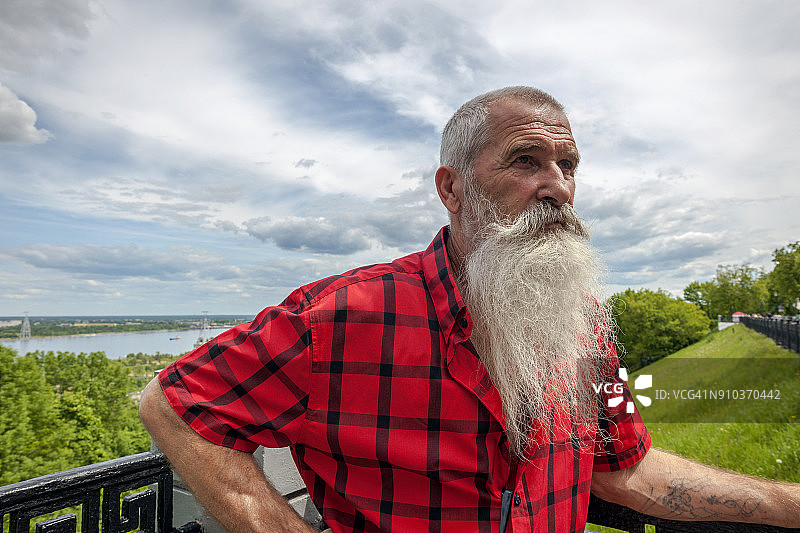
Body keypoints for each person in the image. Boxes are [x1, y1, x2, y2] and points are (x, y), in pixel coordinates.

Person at [140, 86, 800, 532]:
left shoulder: (586, 326)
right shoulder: (340, 317)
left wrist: (783, 500)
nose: (558, 187)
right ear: (452, 188)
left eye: (568, 166)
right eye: (526, 161)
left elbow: (624, 464)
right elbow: (174, 404)